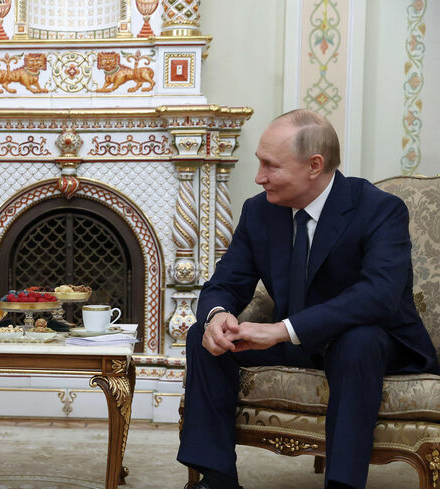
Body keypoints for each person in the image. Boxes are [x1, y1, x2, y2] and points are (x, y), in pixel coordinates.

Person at [177, 109, 439, 489]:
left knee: (358, 341)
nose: (259, 177)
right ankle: (216, 480)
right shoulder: (259, 211)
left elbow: (378, 296)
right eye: (260, 163)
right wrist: (218, 315)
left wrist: (281, 330)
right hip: (298, 340)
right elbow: (226, 283)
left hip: (375, 343)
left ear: (314, 165)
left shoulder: (378, 209)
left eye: (271, 165)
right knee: (205, 337)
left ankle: (342, 484)